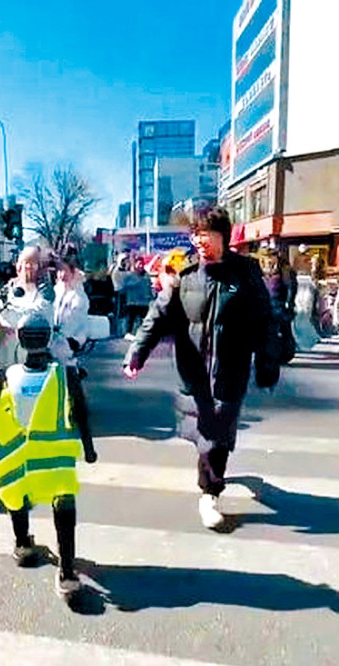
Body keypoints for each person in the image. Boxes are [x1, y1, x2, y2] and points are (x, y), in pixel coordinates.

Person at [123, 207, 281, 530]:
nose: (198, 240)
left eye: (204, 233)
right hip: (193, 369)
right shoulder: (186, 273)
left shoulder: (245, 274)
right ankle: (212, 478)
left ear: (222, 235)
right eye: (194, 234)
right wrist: (137, 353)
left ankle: (209, 493)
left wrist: (267, 361)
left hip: (231, 368)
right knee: (207, 433)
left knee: (216, 432)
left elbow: (264, 321)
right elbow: (159, 314)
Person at [0, 315, 83, 598]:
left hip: (19, 459)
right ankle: (66, 569)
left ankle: (23, 544)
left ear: (19, 338)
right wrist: (89, 449)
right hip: (56, 462)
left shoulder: (5, 376)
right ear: (48, 338)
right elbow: (82, 412)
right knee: (64, 505)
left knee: (16, 497)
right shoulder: (65, 374)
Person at [50, 251, 97, 463]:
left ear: (73, 272)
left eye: (64, 271)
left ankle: (82, 422)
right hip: (52, 338)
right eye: (58, 270)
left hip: (68, 342)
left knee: (68, 373)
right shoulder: (55, 291)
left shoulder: (79, 296)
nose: (60, 275)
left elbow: (71, 323)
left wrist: (60, 336)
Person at [0, 245, 53, 365]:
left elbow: (39, 309)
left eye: (33, 263)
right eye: (25, 262)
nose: (28, 267)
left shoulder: (45, 289)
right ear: (18, 265)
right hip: (7, 342)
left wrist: (7, 312)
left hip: (34, 345)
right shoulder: (10, 286)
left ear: (40, 266)